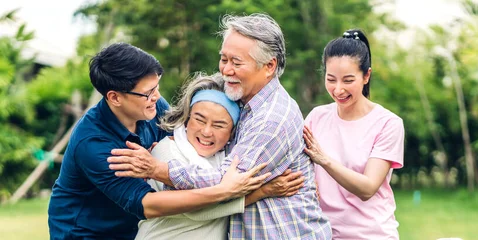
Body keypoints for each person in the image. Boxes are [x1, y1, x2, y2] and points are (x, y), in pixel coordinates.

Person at [108, 14, 332, 239]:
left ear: (269, 66)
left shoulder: (271, 118)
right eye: (223, 59)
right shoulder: (240, 95)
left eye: (236, 62)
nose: (226, 70)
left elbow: (225, 184)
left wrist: (157, 169)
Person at [47, 43, 272, 240]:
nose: (157, 96)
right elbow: (148, 204)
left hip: (130, 228)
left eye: (157, 87)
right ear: (114, 97)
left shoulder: (152, 107)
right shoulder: (93, 144)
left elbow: (185, 138)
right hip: (87, 233)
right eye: (148, 92)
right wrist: (225, 190)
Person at [135, 73, 305, 240]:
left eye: (219, 125)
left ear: (232, 133)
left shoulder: (229, 158)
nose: (207, 131)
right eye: (200, 120)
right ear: (187, 119)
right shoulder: (165, 151)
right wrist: (262, 192)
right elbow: (198, 209)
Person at [303, 29, 405, 240]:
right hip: (321, 233)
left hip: (371, 234)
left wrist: (324, 161)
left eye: (348, 80)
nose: (338, 89)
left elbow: (368, 188)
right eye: (331, 79)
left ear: (366, 75)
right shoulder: (316, 117)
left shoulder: (388, 124)